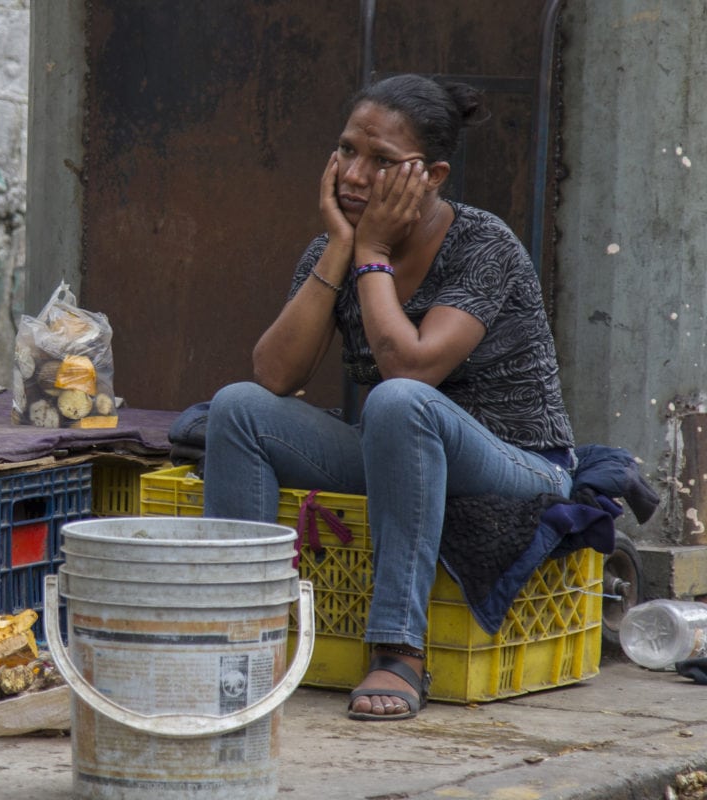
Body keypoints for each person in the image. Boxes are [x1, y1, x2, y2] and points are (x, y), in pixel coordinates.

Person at [202, 74, 575, 721]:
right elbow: (274, 374)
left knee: (397, 400)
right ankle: (243, 639)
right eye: (346, 150)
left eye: (380, 161)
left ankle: (399, 649)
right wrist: (344, 249)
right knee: (237, 409)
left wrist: (370, 251)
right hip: (399, 447)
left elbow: (410, 367)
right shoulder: (335, 247)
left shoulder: (483, 245)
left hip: (519, 463)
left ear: (430, 175)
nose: (352, 173)